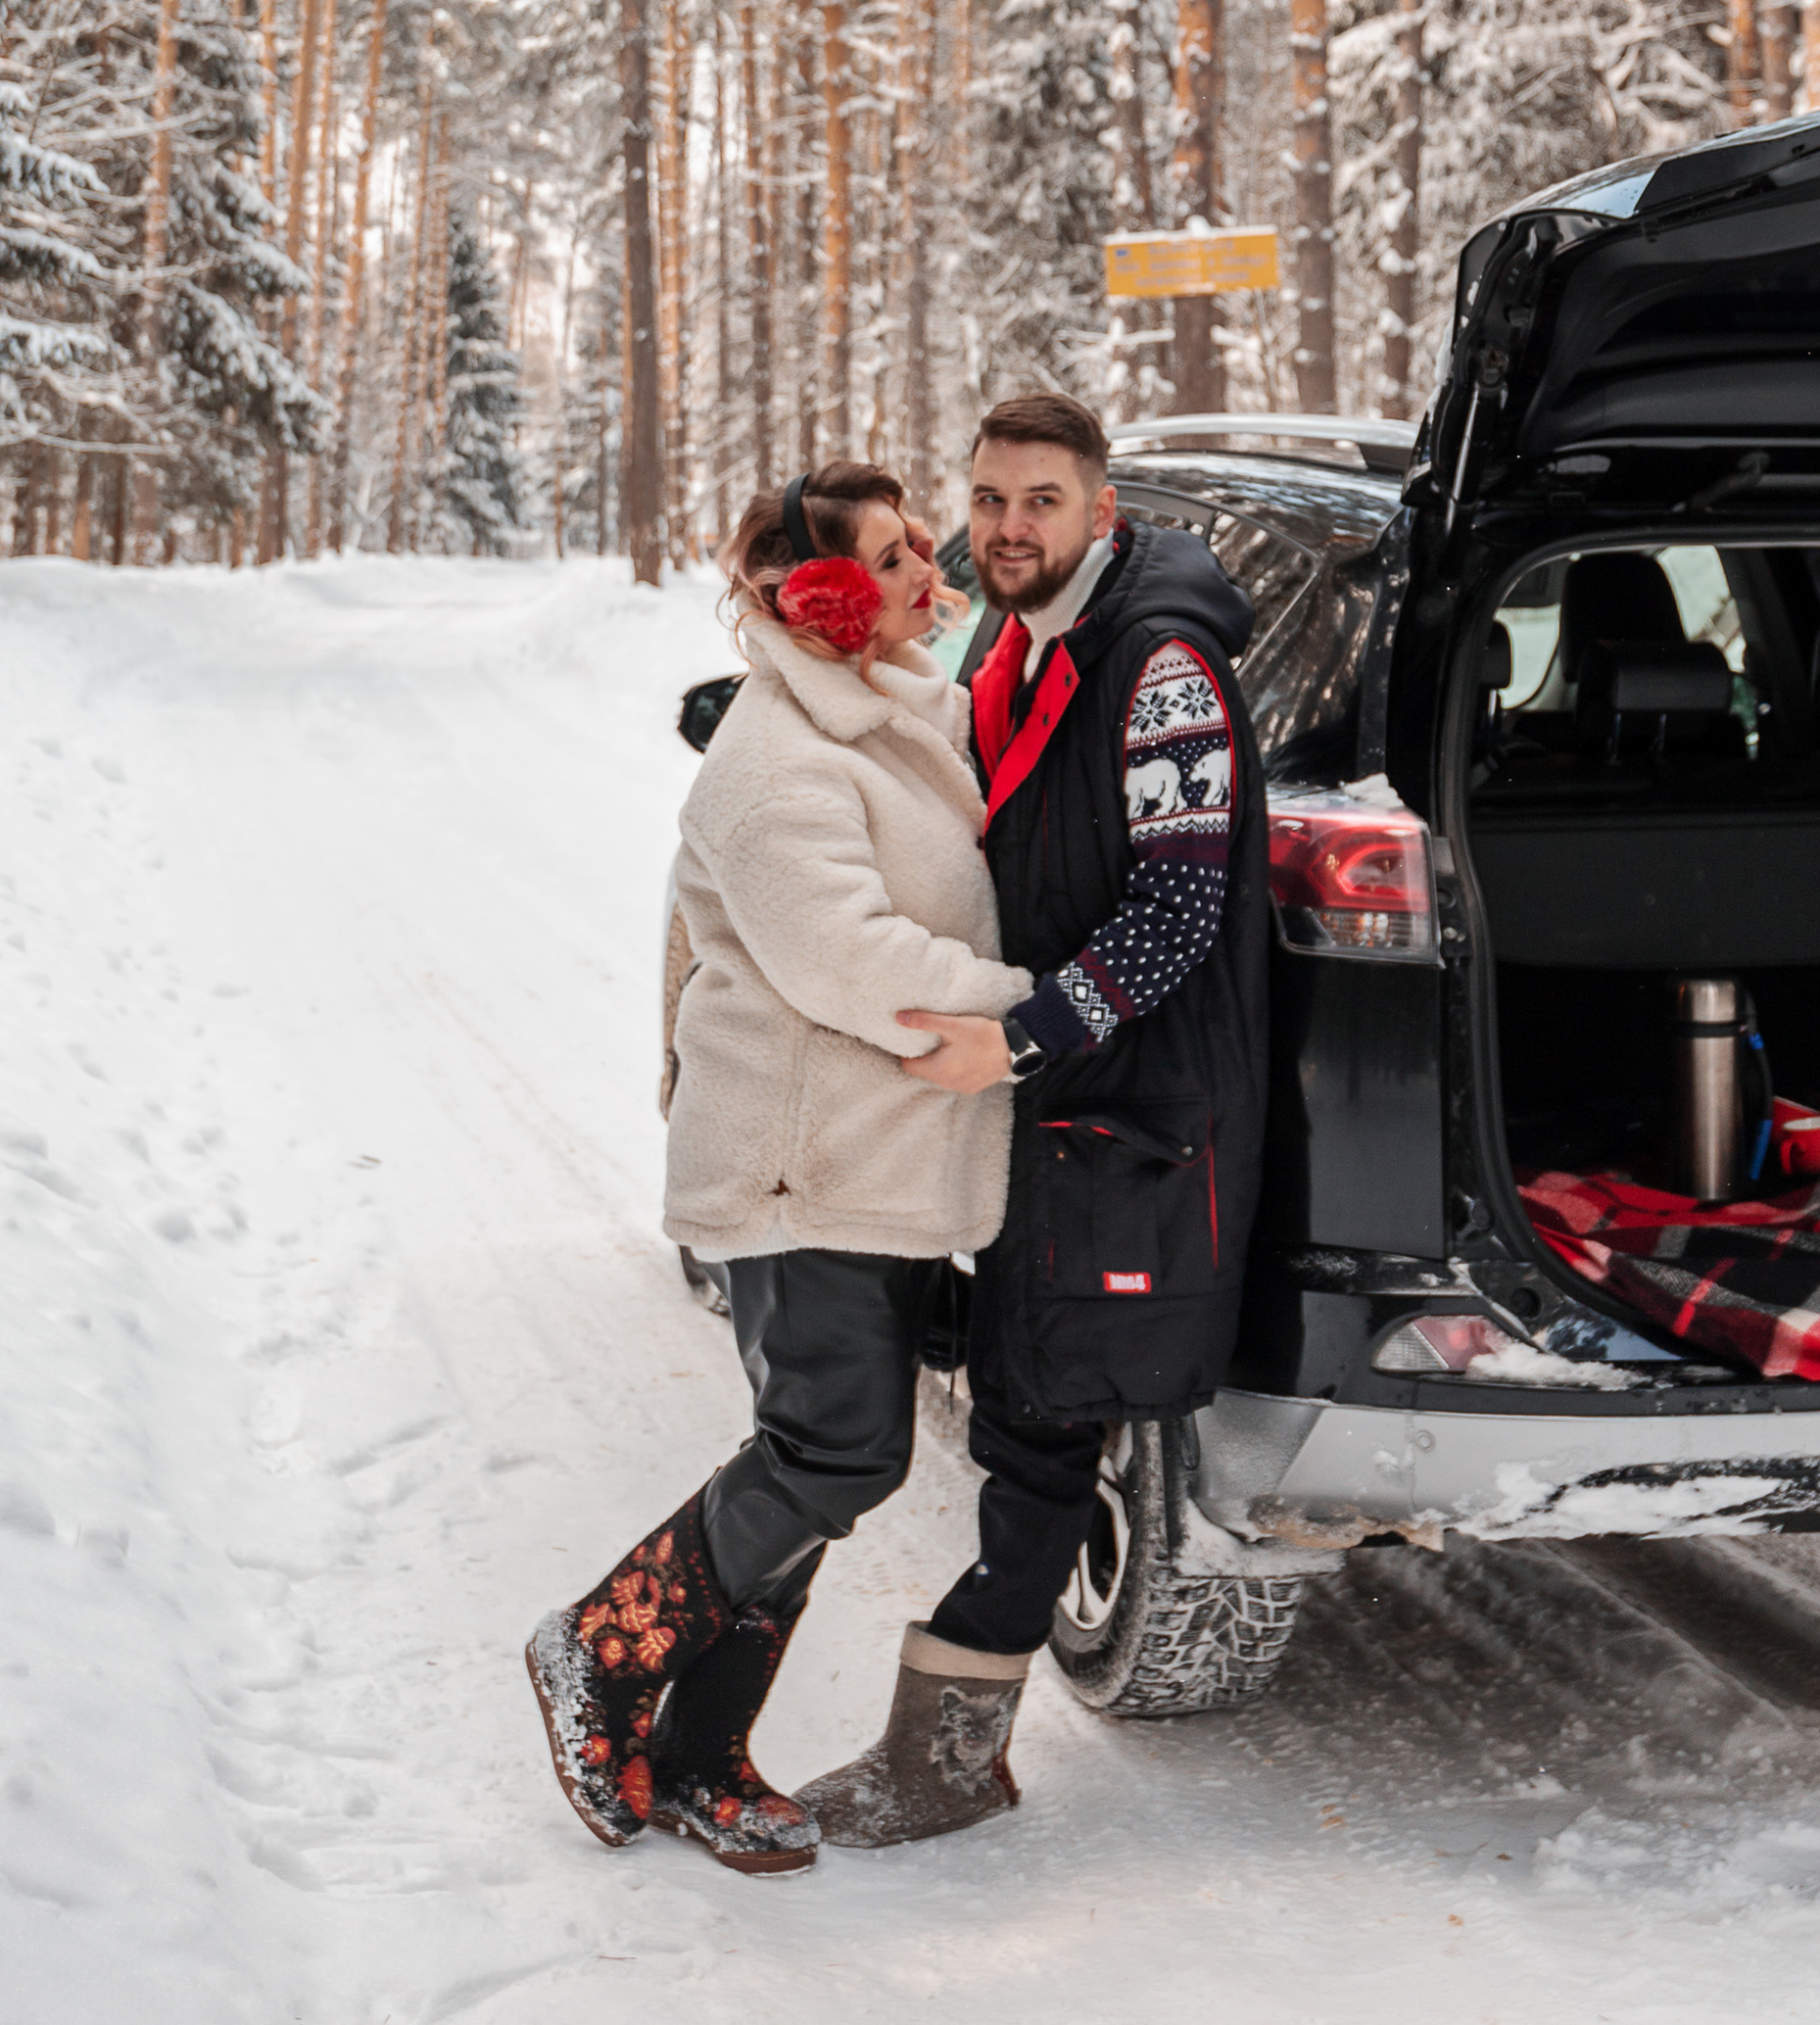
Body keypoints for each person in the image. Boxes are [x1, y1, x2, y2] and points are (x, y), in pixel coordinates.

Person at [524, 460, 1028, 1877]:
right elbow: (853, 962)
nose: (933, 570)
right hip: (802, 1164)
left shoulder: (899, 712)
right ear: (819, 601)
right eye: (893, 555)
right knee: (836, 1450)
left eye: (925, 542)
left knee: (807, 1459)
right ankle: (599, 1644)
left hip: (875, 1156)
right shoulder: (774, 763)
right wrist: (1045, 1004)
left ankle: (695, 1754)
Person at [800, 388, 1269, 1851]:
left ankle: (947, 1758)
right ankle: (953, 1747)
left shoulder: (1163, 670)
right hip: (1057, 1094)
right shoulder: (1024, 640)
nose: (1007, 529)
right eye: (990, 500)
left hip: (1126, 1100)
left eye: (1041, 503)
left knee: (1042, 1419)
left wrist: (1021, 1037)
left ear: (1099, 512)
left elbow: (1181, 908)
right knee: (1018, 1387)